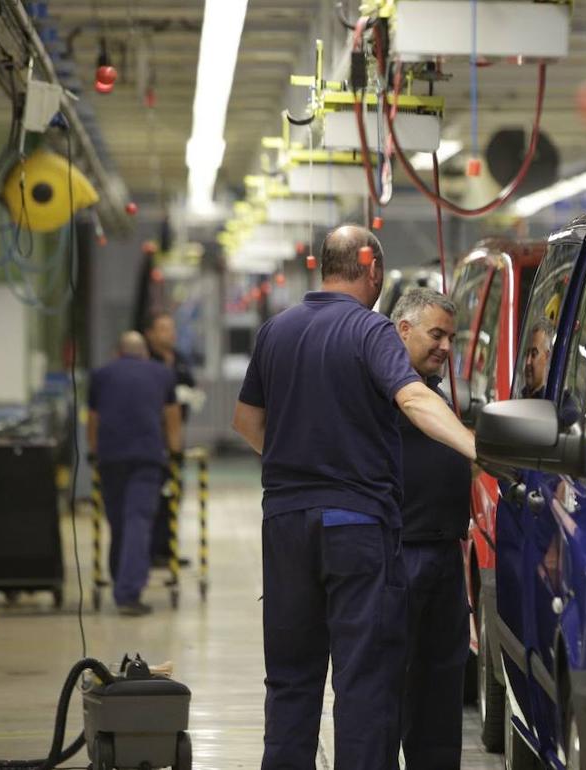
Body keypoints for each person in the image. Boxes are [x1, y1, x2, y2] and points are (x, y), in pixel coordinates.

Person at [232, 225, 476, 770]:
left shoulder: (276, 330)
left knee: (291, 679)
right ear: (370, 268)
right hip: (356, 529)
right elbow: (413, 396)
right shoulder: (371, 331)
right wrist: (472, 445)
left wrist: (299, 461)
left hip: (286, 525)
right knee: (364, 680)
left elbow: (245, 419)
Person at [389, 288, 472, 769]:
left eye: (450, 338)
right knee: (390, 686)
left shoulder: (433, 389)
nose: (445, 346)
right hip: (401, 553)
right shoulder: (389, 385)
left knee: (441, 685)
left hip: (443, 553)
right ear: (404, 330)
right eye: (435, 334)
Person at [87, 331, 182, 616]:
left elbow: (92, 418)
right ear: (144, 352)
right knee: (137, 522)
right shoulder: (162, 373)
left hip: (110, 458)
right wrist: (175, 451)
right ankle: (128, 593)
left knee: (118, 522)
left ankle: (120, 580)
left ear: (118, 352)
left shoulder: (101, 374)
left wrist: (94, 452)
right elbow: (172, 416)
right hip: (147, 458)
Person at [142, 311, 196, 568]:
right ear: (151, 334)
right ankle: (150, 550)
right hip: (151, 438)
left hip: (175, 437)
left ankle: (168, 548)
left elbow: (190, 386)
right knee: (152, 497)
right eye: (163, 328)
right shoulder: (146, 362)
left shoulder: (180, 360)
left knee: (174, 494)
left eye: (171, 328)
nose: (170, 334)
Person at [521, 318, 555, 398]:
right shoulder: (518, 400)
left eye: (533, 354)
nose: (527, 362)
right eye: (527, 353)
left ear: (547, 357)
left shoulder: (552, 404)